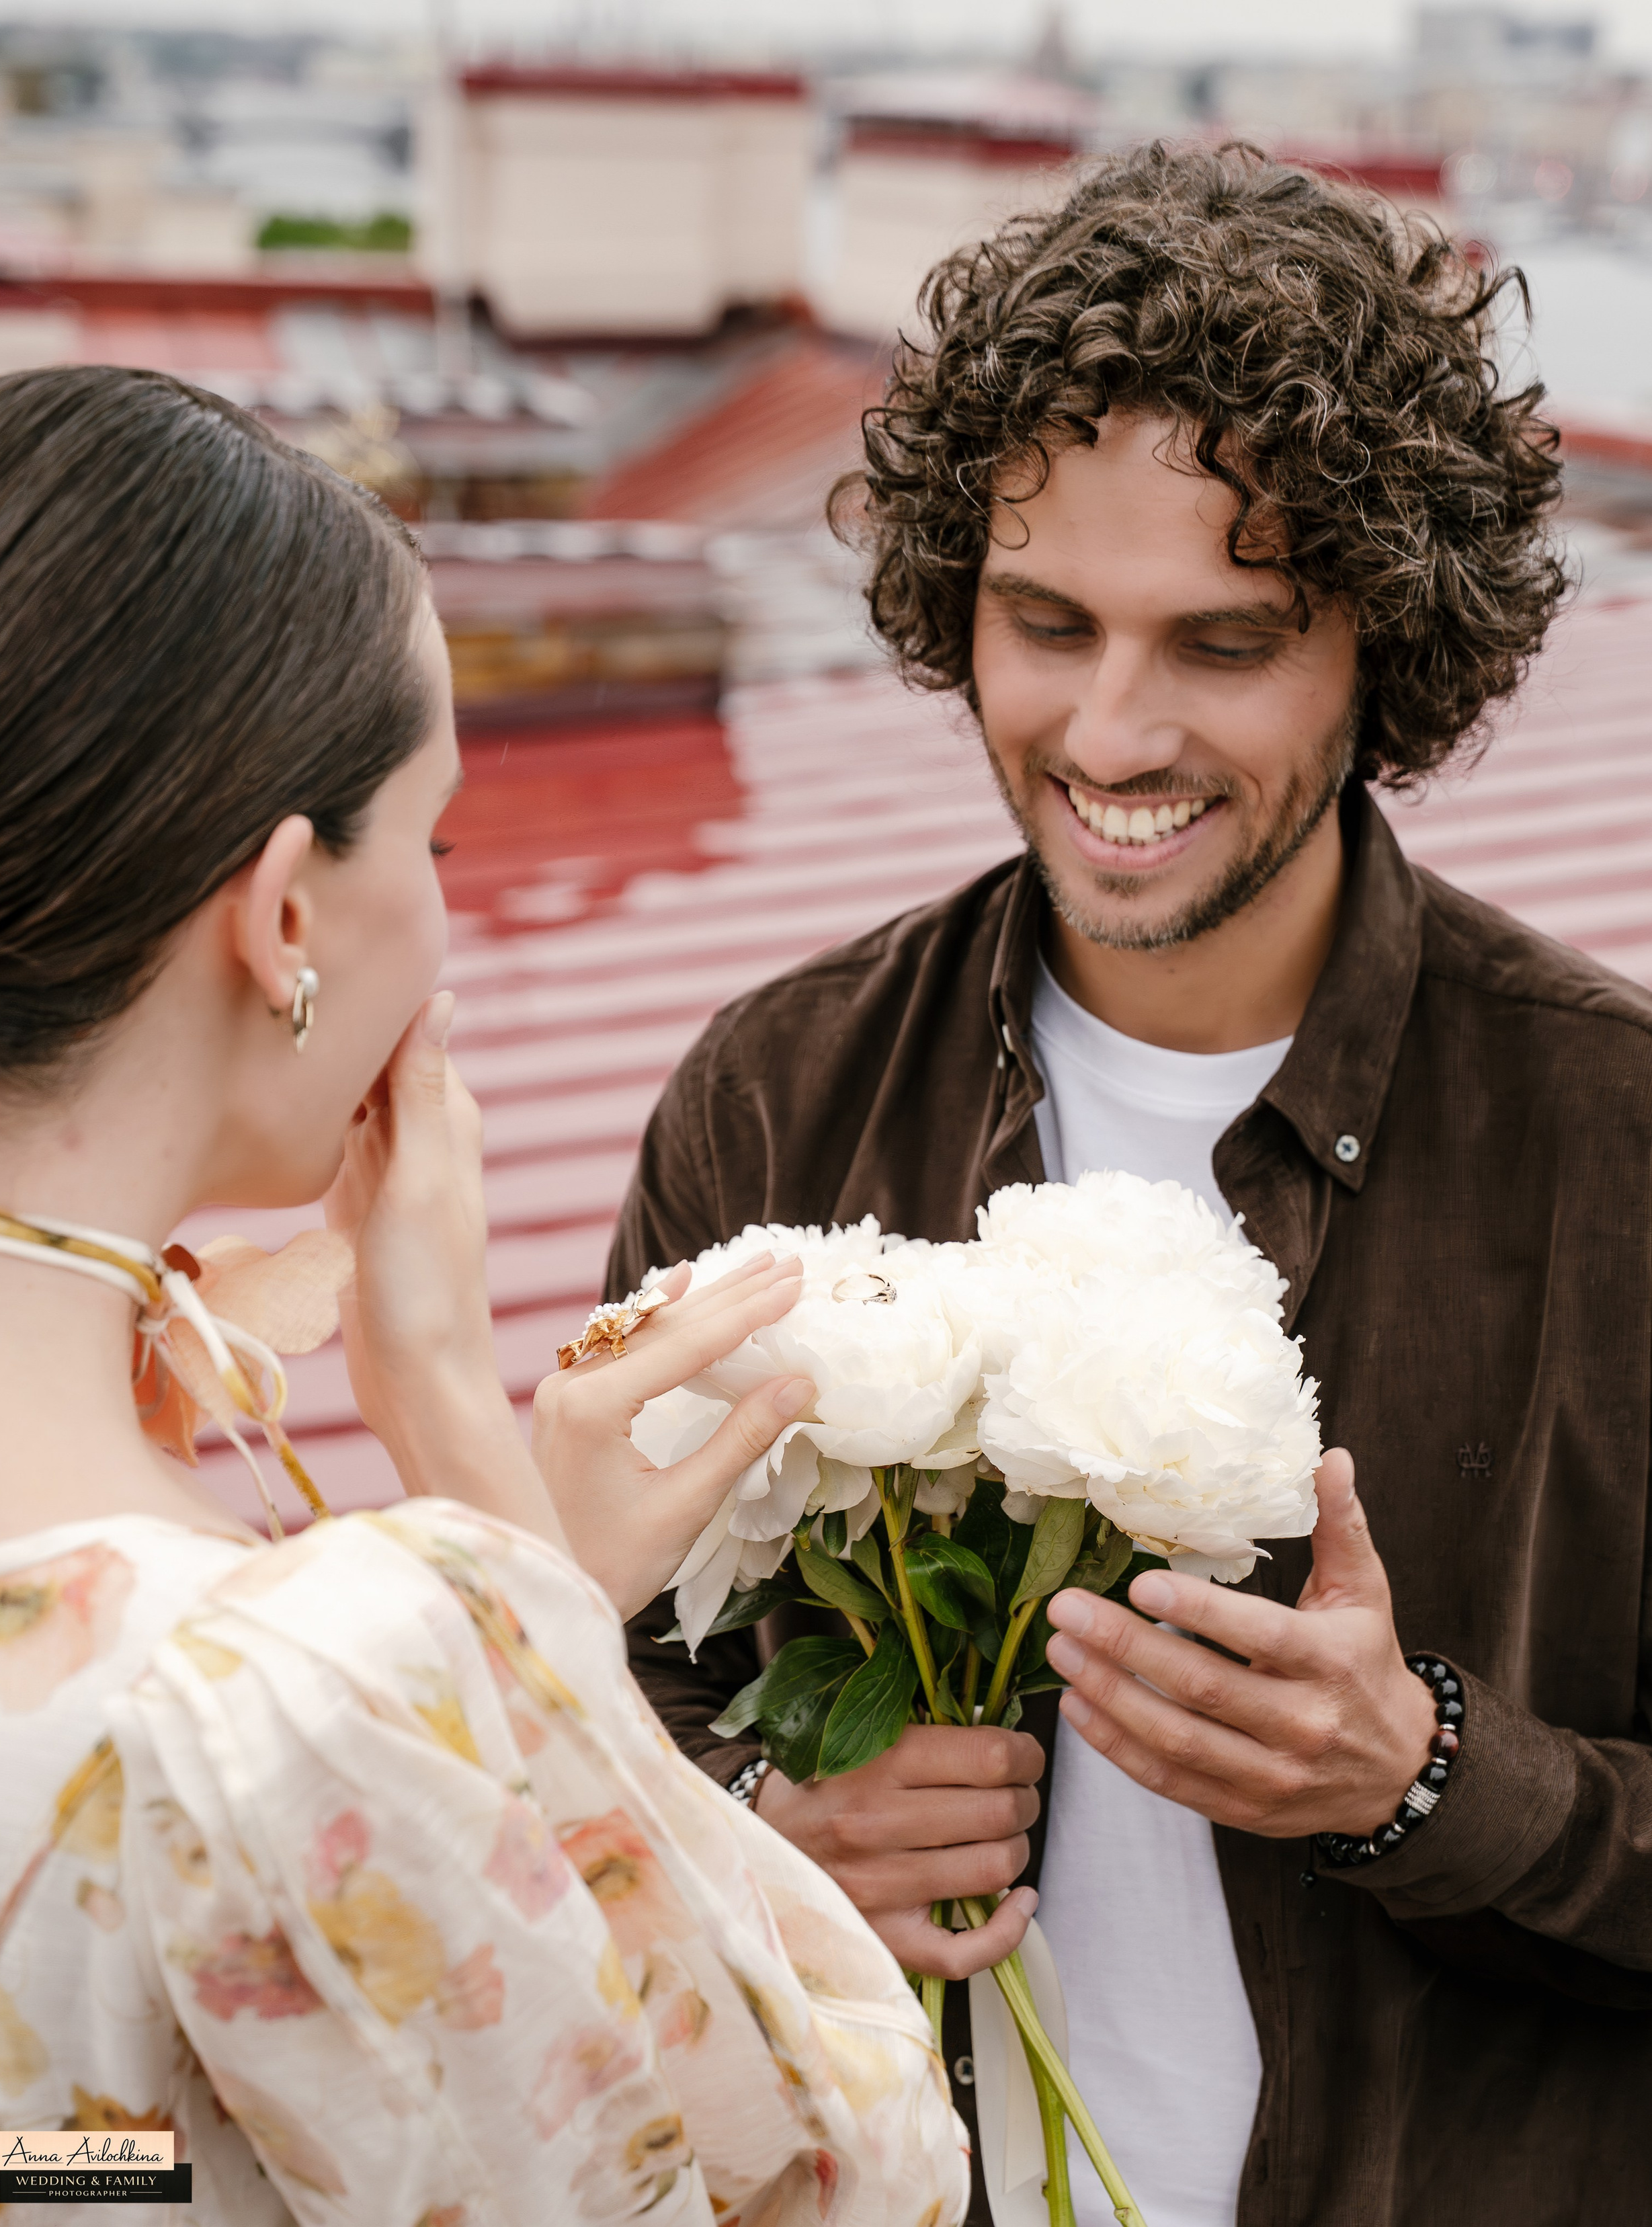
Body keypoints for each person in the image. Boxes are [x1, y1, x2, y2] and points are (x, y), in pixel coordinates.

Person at [612, 141, 1652, 2227]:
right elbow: (603, 1698)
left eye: (1225, 641)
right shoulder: (777, 1099)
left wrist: (1433, 1779)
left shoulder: (1612, 1143)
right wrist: (768, 1811)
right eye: (1047, 621)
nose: (1111, 727)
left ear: (1385, 648)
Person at [0, 365, 985, 2224]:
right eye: (434, 833)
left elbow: (66, 2156)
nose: (437, 906)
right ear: (281, 921)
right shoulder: (296, 1691)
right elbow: (829, 2166)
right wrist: (496, 1529)